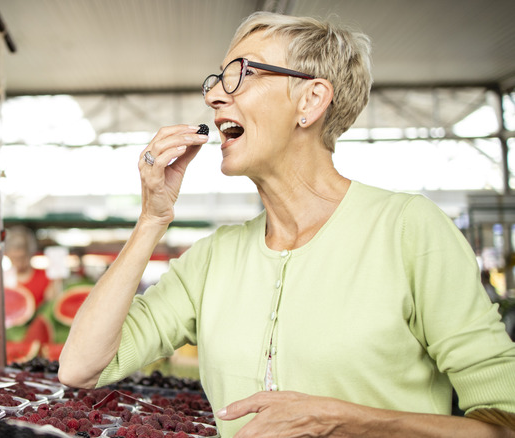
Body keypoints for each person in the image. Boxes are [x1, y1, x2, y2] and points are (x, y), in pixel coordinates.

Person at [58, 11, 515, 438]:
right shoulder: (214, 258)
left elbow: (504, 420)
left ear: (311, 100)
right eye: (217, 80)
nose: (214, 94)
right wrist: (152, 218)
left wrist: (345, 420)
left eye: (243, 73)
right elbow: (81, 367)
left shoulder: (408, 229)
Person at [4, 225, 52, 307]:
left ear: (31, 253)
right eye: (15, 258)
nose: (19, 255)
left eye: (23, 257)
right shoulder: (0, 279)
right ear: (7, 254)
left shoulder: (46, 277)